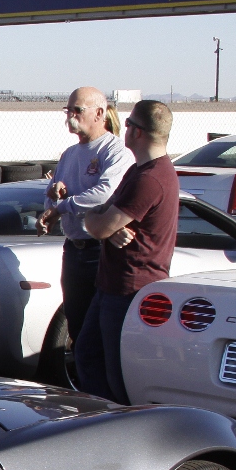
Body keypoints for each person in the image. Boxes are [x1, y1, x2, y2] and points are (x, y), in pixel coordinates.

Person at [74, 100, 178, 404]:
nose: (124, 128)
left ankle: (120, 421)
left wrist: (101, 221)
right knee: (88, 354)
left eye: (129, 124)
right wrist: (106, 222)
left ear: (138, 132)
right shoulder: (140, 170)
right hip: (112, 285)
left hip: (129, 289)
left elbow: (98, 226)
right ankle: (101, 417)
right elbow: (105, 217)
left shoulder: (150, 179)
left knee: (117, 373)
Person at [36, 87, 135, 349]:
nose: (71, 116)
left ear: (99, 113)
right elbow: (52, 196)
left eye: (77, 110)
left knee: (101, 330)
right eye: (68, 110)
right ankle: (80, 372)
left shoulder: (115, 151)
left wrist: (62, 207)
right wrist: (53, 202)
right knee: (77, 325)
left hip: (101, 251)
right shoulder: (69, 154)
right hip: (73, 250)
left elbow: (105, 193)